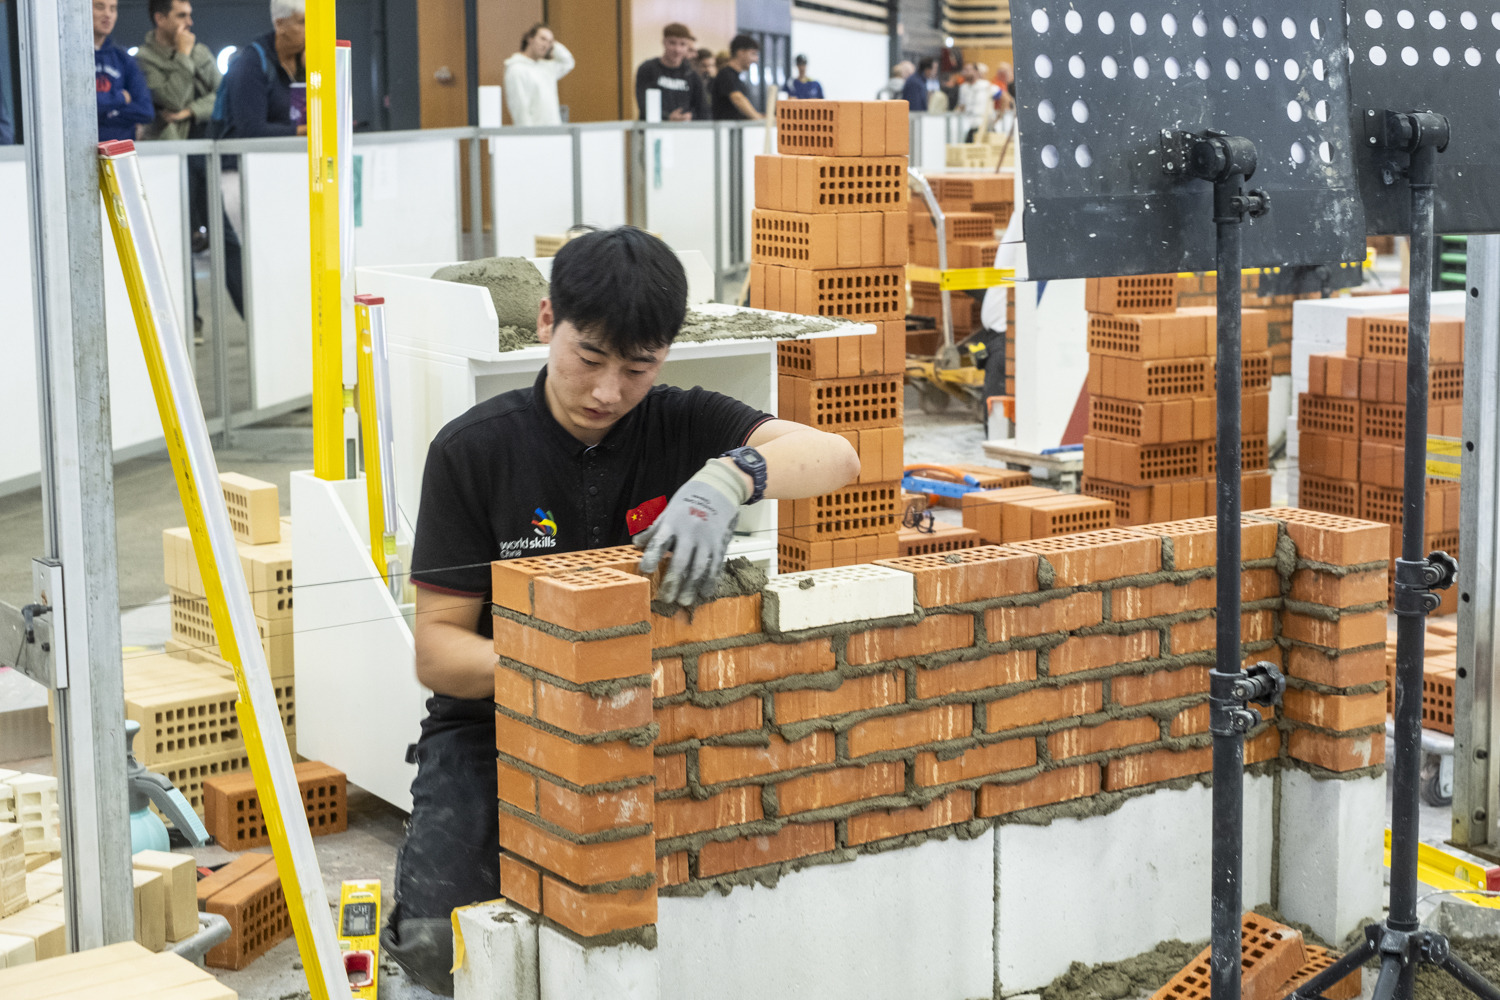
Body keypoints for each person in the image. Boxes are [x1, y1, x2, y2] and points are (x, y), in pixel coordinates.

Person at [379, 227, 860, 994]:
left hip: (654, 713)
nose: (607, 392)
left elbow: (839, 458)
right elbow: (439, 652)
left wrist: (730, 479)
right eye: (589, 358)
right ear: (548, 321)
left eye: (637, 369)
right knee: (441, 943)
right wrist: (562, 667)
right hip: (497, 722)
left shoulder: (682, 423)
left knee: (698, 907)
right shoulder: (474, 451)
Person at [214, 0, 306, 138]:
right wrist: (308, 131)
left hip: (298, 151)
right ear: (279, 24)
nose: (312, 29)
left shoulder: (308, 61)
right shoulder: (250, 65)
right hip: (252, 152)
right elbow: (252, 131)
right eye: (302, 22)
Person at [138, 0, 219, 141]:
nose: (190, 22)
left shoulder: (201, 52)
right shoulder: (144, 58)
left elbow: (224, 95)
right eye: (181, 16)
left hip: (210, 141)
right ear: (160, 18)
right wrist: (183, 56)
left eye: (189, 15)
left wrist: (190, 111)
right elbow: (173, 101)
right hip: (171, 146)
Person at [93, 0, 154, 142]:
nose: (107, 14)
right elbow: (77, 108)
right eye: (100, 7)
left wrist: (104, 113)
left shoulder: (124, 59)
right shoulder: (71, 59)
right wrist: (120, 98)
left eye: (113, 9)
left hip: (119, 150)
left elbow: (146, 111)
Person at [632, 22, 708, 121]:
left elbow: (703, 110)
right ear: (664, 42)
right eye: (672, 43)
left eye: (682, 44)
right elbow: (643, 105)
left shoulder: (692, 75)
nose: (677, 49)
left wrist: (690, 116)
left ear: (687, 47)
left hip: (684, 128)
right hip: (653, 128)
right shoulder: (647, 69)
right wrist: (667, 117)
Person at [504, 23, 574, 126]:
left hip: (554, 130)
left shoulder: (546, 68)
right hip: (535, 132)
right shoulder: (516, 69)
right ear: (530, 39)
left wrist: (554, 45)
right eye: (542, 39)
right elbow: (520, 108)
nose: (546, 45)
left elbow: (568, 62)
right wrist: (528, 134)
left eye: (550, 42)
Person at [712, 34, 762, 120]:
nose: (756, 59)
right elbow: (737, 98)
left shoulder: (737, 78)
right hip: (725, 127)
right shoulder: (726, 74)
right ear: (740, 53)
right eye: (753, 54)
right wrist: (757, 118)